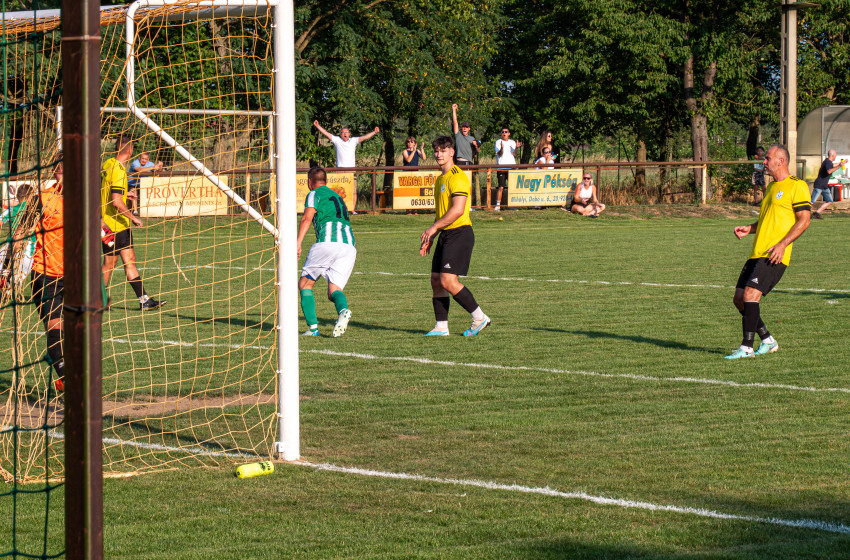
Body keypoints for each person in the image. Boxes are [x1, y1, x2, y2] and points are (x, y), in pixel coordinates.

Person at [726, 144, 811, 359]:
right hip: (758, 251)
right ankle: (768, 340)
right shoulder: (772, 188)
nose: (764, 161)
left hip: (774, 254)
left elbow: (804, 220)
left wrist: (782, 245)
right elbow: (766, 220)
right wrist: (750, 228)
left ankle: (746, 348)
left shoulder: (797, 186)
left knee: (750, 295)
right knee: (739, 299)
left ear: (781, 161)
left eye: (768, 158)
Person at [419, 136, 490, 337]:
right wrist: (434, 235)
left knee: (449, 281)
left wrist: (433, 229)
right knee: (435, 280)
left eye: (443, 150)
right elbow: (442, 212)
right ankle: (441, 327)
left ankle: (479, 317)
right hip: (446, 234)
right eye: (436, 150)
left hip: (460, 233)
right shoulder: (440, 178)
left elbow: (458, 210)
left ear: (452, 152)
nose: (439, 154)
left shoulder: (457, 176)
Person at [101, 136, 165, 310]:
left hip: (119, 225)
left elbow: (108, 192)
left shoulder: (108, 164)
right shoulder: (120, 172)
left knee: (130, 261)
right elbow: (115, 202)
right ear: (129, 151)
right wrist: (133, 216)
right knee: (109, 264)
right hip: (111, 226)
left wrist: (124, 196)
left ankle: (144, 300)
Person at [296, 167, 356, 337]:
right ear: (326, 181)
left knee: (305, 285)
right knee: (333, 291)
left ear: (309, 182)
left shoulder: (314, 194)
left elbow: (307, 218)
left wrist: (298, 243)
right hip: (349, 246)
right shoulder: (337, 196)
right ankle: (343, 311)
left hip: (327, 242)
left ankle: (313, 329)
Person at [31, 160, 65, 392]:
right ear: (56, 172)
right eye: (64, 170)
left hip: (75, 277)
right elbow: (21, 231)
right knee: (55, 327)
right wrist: (5, 268)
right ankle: (67, 376)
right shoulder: (43, 198)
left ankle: (64, 377)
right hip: (45, 275)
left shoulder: (86, 200)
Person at [312, 120, 380, 168]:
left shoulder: (353, 141)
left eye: (346, 132)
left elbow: (364, 137)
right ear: (340, 134)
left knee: (352, 188)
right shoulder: (337, 140)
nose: (345, 134)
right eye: (343, 132)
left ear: (349, 134)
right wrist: (317, 126)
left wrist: (374, 132)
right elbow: (326, 134)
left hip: (351, 170)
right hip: (340, 170)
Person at [811, 149, 845, 219]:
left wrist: (842, 163)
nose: (836, 157)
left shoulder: (828, 162)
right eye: (835, 155)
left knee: (829, 201)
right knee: (812, 201)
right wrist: (839, 166)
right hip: (819, 185)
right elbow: (829, 171)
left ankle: (816, 213)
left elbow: (832, 165)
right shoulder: (827, 162)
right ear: (832, 155)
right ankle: (802, 213)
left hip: (824, 186)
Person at [494, 127, 521, 212]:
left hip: (511, 167)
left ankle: (512, 205)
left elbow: (515, 154)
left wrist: (516, 147)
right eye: (502, 132)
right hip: (502, 167)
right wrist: (502, 147)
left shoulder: (512, 142)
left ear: (509, 133)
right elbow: (499, 154)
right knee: (501, 187)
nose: (504, 133)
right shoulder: (498, 142)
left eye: (506, 132)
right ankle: (498, 205)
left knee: (512, 187)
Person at [127, 152, 163, 216]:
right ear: (139, 158)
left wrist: (160, 167)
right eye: (142, 158)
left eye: (145, 159)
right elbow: (139, 170)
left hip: (143, 184)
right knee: (134, 193)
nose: (144, 160)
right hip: (131, 184)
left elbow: (157, 172)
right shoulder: (135, 163)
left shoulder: (150, 164)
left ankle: (152, 210)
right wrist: (153, 167)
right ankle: (135, 212)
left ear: (148, 159)